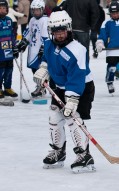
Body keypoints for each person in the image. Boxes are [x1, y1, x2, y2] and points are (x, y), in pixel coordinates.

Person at [33, 11, 96, 173]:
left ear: (68, 29)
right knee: (54, 116)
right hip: (60, 87)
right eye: (55, 31)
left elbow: (77, 76)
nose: (59, 35)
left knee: (72, 117)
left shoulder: (78, 50)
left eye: (62, 31)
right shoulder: (49, 44)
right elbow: (47, 58)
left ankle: (84, 154)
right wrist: (44, 69)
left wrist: (73, 99)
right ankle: (58, 151)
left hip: (81, 87)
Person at [16, 0, 49, 98]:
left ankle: (42, 88)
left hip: (40, 50)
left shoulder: (45, 20)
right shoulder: (32, 20)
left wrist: (43, 48)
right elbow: (28, 32)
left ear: (42, 10)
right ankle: (40, 86)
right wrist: (24, 42)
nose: (35, 12)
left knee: (41, 70)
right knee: (34, 70)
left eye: (38, 10)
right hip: (33, 50)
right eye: (34, 10)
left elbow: (46, 37)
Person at [0, 0, 19, 99]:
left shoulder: (9, 20)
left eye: (4, 8)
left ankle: (7, 88)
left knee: (9, 69)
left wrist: (14, 47)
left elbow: (12, 35)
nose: (2, 10)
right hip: (0, 51)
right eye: (0, 8)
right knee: (0, 70)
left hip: (8, 50)